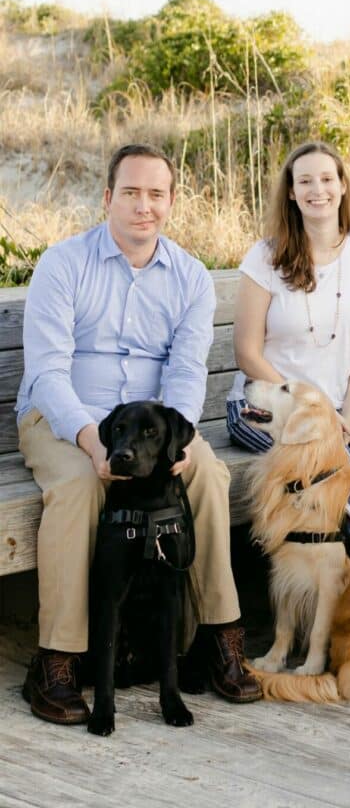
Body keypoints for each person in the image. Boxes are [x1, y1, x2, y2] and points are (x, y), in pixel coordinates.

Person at [17, 144, 261, 726]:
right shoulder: (63, 264)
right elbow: (49, 372)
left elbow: (186, 369)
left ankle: (219, 636)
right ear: (108, 198)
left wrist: (173, 446)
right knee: (80, 485)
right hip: (62, 417)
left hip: (149, 429)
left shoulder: (190, 278)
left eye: (156, 194)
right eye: (131, 193)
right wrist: (90, 440)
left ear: (172, 202)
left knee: (205, 470)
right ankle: (59, 658)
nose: (143, 206)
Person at [226, 140, 350, 523]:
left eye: (327, 179)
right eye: (306, 181)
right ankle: (345, 571)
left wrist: (344, 413)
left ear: (343, 186)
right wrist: (315, 408)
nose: (318, 190)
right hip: (269, 405)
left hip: (344, 404)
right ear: (292, 193)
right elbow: (247, 353)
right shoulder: (265, 257)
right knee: (336, 465)